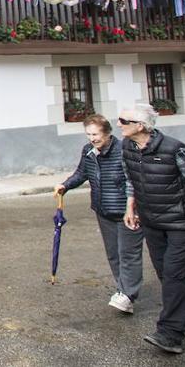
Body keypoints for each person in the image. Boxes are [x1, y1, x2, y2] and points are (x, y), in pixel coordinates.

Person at [119, 104, 185, 355]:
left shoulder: (175, 150)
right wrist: (130, 207)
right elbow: (131, 179)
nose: (119, 124)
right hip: (153, 220)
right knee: (167, 275)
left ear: (140, 126)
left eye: (124, 120)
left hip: (182, 223)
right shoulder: (128, 147)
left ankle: (170, 334)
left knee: (175, 275)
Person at [55, 114, 144, 314]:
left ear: (107, 133)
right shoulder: (88, 151)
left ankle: (128, 294)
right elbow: (81, 173)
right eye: (89, 134)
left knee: (128, 254)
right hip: (103, 211)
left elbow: (134, 180)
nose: (92, 138)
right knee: (113, 254)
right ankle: (123, 291)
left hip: (127, 211)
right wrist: (65, 186)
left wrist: (133, 207)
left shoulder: (124, 150)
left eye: (96, 134)